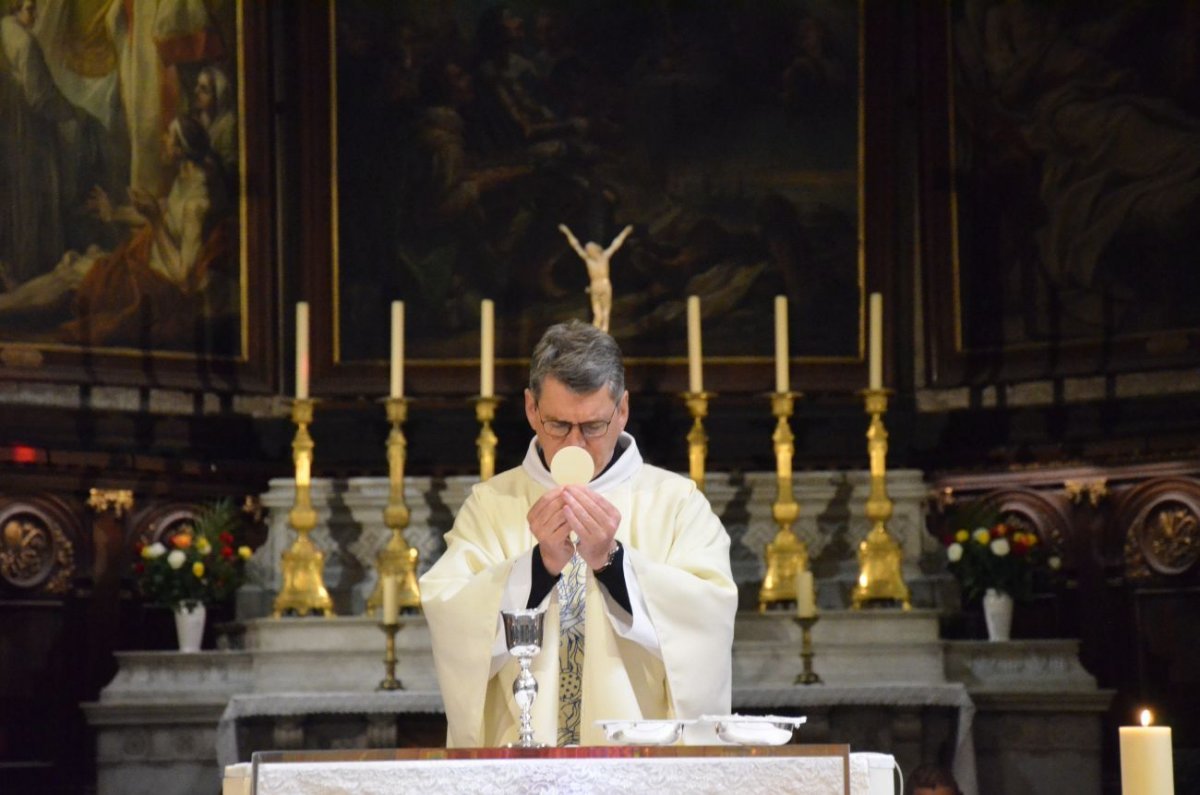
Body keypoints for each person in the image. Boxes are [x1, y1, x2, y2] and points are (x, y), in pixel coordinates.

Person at [421, 319, 737, 747]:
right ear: (532, 409)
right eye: (558, 425)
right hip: (520, 766)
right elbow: (450, 616)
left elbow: (708, 618)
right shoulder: (493, 505)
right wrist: (539, 567)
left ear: (622, 410)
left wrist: (612, 564)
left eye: (593, 427)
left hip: (640, 763)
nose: (575, 445)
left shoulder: (676, 503)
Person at [557, 223, 633, 333]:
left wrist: (566, 231)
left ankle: (597, 337)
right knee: (603, 315)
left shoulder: (592, 259)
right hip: (602, 285)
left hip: (596, 286)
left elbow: (576, 245)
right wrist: (625, 231)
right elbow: (616, 243)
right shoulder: (602, 257)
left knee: (599, 315)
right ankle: (598, 338)